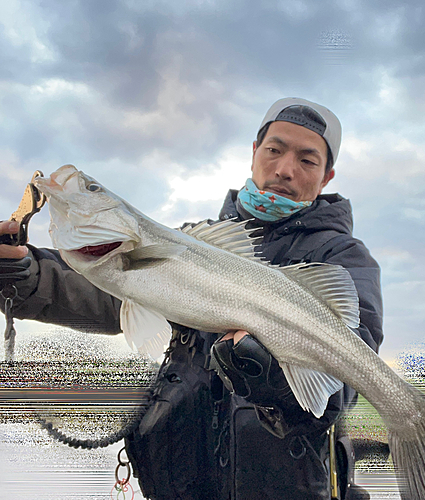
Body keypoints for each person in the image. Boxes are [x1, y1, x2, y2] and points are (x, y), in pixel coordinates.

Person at [0, 98, 383, 500]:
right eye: (274, 149)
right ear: (254, 153)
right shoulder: (190, 240)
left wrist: (267, 374)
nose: (284, 169)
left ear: (327, 177)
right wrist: (24, 274)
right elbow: (108, 293)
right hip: (178, 483)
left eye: (307, 160)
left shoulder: (342, 258)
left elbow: (343, 381)